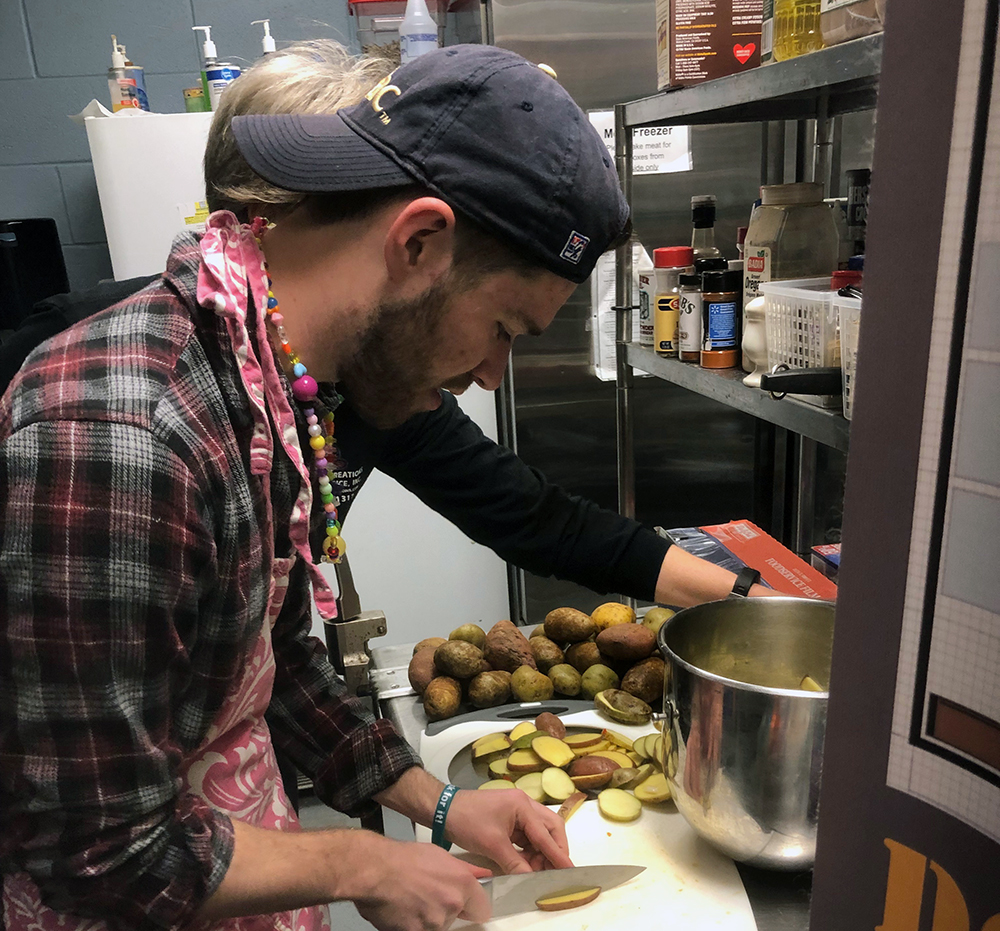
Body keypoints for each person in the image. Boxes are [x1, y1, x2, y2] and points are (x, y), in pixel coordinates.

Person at [0, 43, 769, 931]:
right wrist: (360, 859)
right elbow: (95, 849)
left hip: (234, 856)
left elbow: (279, 659)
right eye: (505, 327)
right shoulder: (124, 442)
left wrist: (436, 804)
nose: (491, 374)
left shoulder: (279, 384)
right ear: (418, 240)